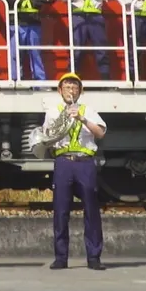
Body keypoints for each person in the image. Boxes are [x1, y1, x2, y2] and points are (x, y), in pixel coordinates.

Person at [45, 72, 107, 270]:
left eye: (75, 87)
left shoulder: (88, 110)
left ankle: (94, 257)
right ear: (60, 90)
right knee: (61, 211)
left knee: (91, 210)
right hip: (63, 161)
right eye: (67, 87)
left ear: (80, 91)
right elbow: (47, 137)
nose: (71, 91)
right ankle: (61, 257)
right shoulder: (52, 111)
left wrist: (81, 118)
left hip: (84, 162)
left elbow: (101, 133)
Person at [0, 0, 54, 82]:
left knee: (35, 53)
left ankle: (40, 82)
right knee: (15, 54)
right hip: (16, 23)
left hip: (33, 23)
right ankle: (15, 80)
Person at [59, 0, 114, 80]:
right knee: (76, 49)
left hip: (96, 17)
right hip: (78, 17)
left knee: (101, 49)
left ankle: (106, 80)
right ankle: (72, 80)